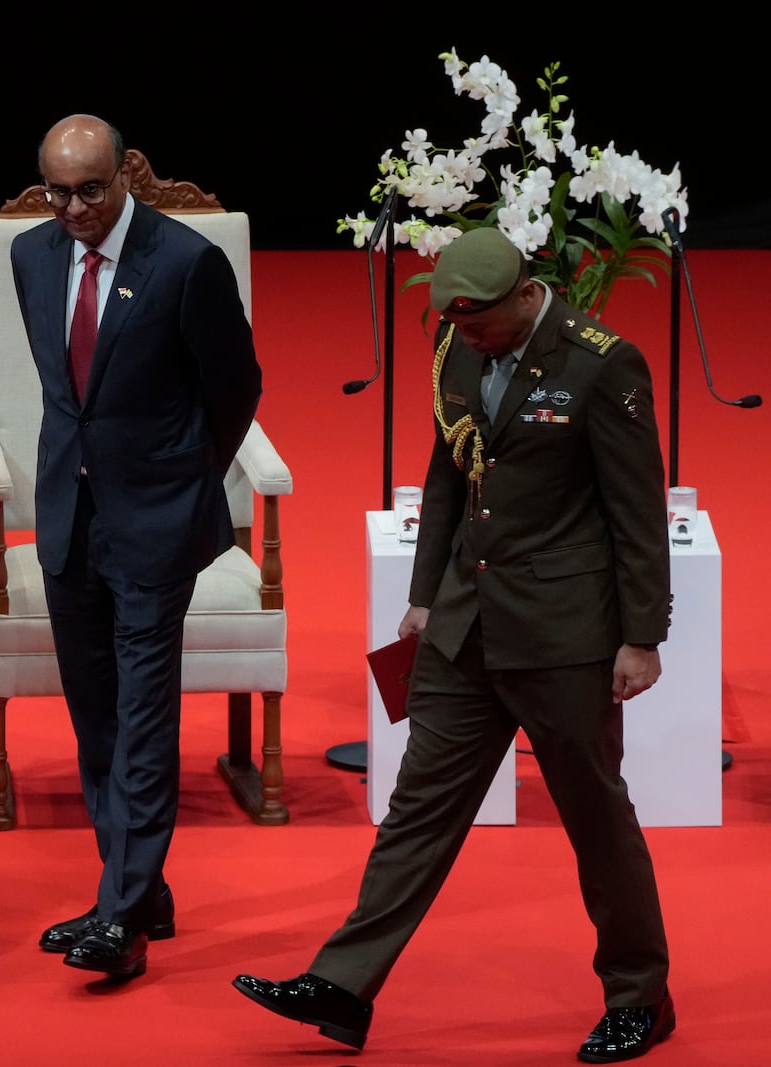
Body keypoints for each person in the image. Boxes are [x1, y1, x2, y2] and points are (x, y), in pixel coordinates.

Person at [233, 226, 675, 1063]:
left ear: (522, 294)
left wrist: (642, 637)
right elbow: (447, 472)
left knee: (596, 823)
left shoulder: (600, 362)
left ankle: (640, 995)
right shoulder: (457, 347)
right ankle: (344, 984)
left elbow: (636, 510)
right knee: (417, 811)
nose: (464, 336)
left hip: (566, 636)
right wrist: (423, 596)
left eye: (478, 323)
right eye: (456, 324)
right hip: (466, 623)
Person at [10, 115, 263, 979]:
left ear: (126, 178)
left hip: (155, 522)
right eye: (57, 191)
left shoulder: (187, 263)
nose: (73, 207)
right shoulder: (30, 256)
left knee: (145, 722)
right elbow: (65, 393)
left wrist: (188, 482)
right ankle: (137, 887)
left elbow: (235, 387)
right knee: (97, 720)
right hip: (68, 518)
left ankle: (121, 920)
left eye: (90, 189)